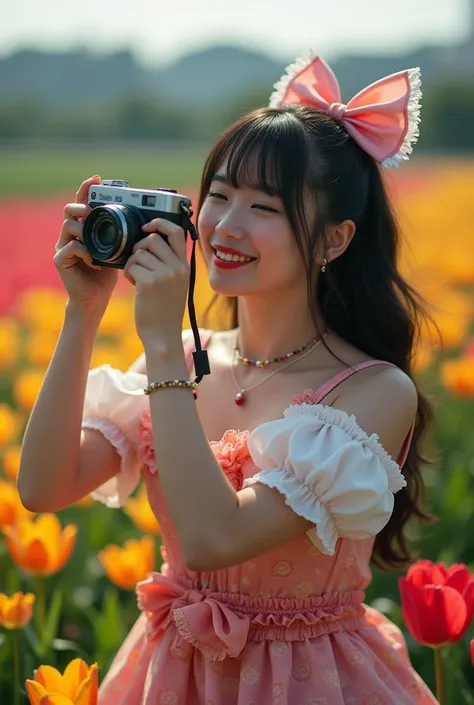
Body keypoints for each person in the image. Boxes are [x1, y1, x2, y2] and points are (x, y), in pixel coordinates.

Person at [18, 53, 438, 704]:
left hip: (313, 681)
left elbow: (215, 538)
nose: (224, 225)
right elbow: (44, 486)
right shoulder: (187, 357)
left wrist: (160, 344)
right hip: (171, 672)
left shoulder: (372, 390)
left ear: (333, 240)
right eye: (218, 195)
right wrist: (85, 310)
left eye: (264, 206)